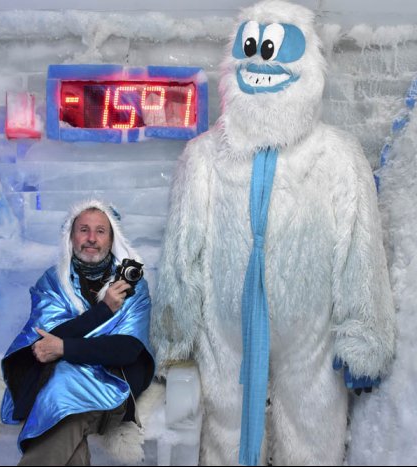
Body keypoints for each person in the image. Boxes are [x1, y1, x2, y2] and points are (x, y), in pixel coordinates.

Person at [151, 0, 396, 465]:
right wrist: (175, 336)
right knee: (224, 432)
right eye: (253, 48)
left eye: (275, 50)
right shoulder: (205, 157)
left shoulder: (336, 156)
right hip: (224, 332)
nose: (262, 62)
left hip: (312, 335)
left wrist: (364, 335)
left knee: (312, 430)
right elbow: (183, 253)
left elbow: (359, 251)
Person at [0, 199, 155, 466]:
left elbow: (126, 349)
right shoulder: (53, 282)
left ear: (111, 238)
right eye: (83, 230)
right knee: (64, 394)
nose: (92, 238)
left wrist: (64, 348)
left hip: (112, 386)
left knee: (64, 394)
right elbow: (41, 344)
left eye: (100, 231)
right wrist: (103, 311)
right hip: (60, 383)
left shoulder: (131, 285)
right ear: (71, 236)